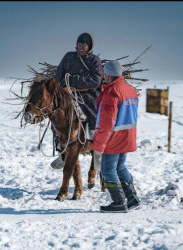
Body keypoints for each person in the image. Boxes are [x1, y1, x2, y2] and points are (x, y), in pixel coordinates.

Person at [93, 60, 140, 213]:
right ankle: (132, 199)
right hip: (127, 136)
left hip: (114, 138)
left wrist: (99, 145)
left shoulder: (112, 93)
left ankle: (119, 202)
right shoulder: (130, 90)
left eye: (104, 73)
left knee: (107, 170)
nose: (103, 76)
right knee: (120, 167)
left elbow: (106, 123)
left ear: (108, 74)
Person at [51, 32, 103, 169]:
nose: (81, 47)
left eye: (84, 45)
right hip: (67, 93)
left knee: (93, 114)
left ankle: (95, 147)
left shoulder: (94, 61)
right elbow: (59, 75)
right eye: (79, 44)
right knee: (56, 116)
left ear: (89, 46)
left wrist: (75, 82)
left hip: (88, 94)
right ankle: (61, 151)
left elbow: (96, 80)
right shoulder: (68, 57)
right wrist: (65, 86)